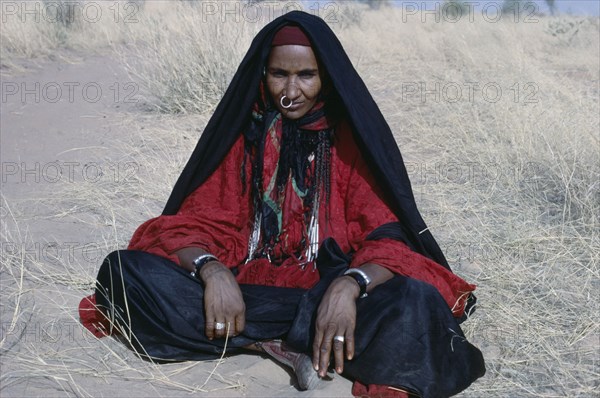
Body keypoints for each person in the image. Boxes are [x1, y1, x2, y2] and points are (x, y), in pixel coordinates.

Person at [79, 11, 485, 398]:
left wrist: (349, 285)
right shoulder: (244, 136)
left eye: (306, 75)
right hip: (243, 292)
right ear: (263, 74)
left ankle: (264, 338)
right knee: (123, 272)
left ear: (326, 77)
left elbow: (388, 238)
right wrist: (211, 269)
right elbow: (193, 223)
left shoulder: (350, 142)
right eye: (279, 74)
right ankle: (282, 344)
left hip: (323, 298)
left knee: (414, 301)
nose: (291, 93)